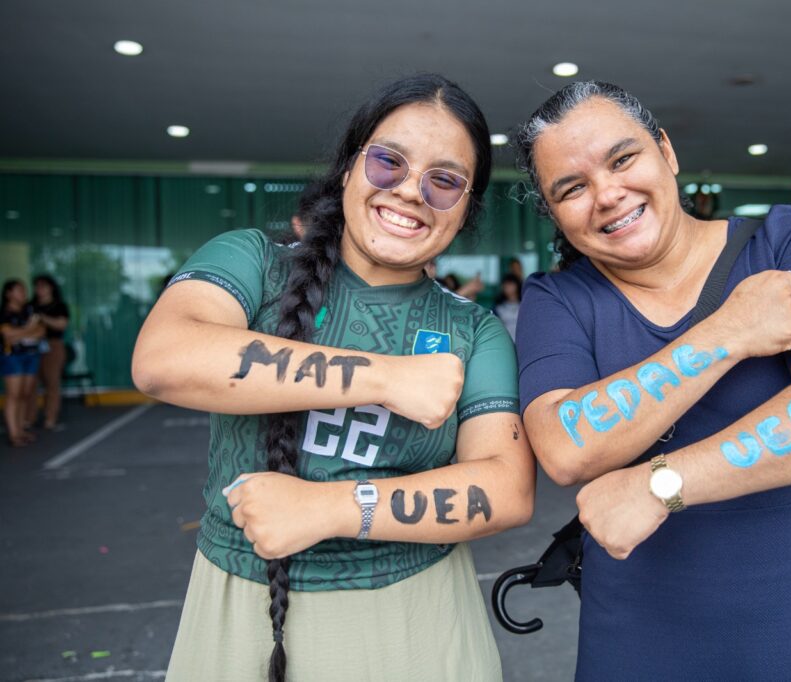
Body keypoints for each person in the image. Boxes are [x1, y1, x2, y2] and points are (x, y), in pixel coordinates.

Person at [132, 74, 534, 681]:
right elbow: (163, 358)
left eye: (445, 180)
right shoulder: (253, 262)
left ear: (466, 208)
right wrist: (386, 378)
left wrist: (335, 508)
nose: (411, 191)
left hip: (416, 619)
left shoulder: (473, 331)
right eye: (389, 162)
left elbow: (507, 489)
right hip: (236, 605)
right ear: (348, 169)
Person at [513, 81, 791, 679]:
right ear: (553, 212)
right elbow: (564, 447)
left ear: (666, 150)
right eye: (572, 188)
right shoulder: (559, 299)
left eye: (622, 159)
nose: (607, 195)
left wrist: (658, 485)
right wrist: (726, 333)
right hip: (634, 644)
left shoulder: (784, 244)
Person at [2, 279, 44, 447]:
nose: (24, 293)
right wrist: (29, 328)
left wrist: (21, 333)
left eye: (24, 290)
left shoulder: (29, 310)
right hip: (12, 357)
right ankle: (13, 434)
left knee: (25, 394)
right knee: (14, 394)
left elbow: (40, 331)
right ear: (9, 294)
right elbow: (8, 336)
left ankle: (20, 429)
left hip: (31, 355)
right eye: (19, 290)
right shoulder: (4, 313)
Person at [29, 275, 70, 430]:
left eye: (43, 286)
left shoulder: (59, 306)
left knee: (52, 383)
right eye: (37, 286)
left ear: (51, 287)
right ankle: (29, 418)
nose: (39, 289)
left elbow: (62, 324)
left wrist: (42, 318)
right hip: (32, 346)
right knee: (30, 384)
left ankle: (50, 418)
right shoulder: (31, 305)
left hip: (53, 346)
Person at [492, 273, 522, 338]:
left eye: (510, 284)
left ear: (517, 285)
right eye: (505, 285)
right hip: (506, 341)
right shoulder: (498, 307)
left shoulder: (524, 305)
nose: (508, 288)